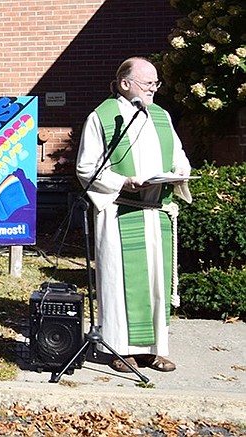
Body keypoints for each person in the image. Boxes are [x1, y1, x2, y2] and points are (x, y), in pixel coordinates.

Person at [75, 56, 192, 373]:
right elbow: (87, 167)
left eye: (156, 83)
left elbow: (178, 155)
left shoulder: (160, 115)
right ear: (125, 84)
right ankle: (122, 350)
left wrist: (181, 171)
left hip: (156, 214)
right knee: (120, 283)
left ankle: (155, 349)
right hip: (121, 212)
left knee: (156, 284)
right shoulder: (104, 117)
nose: (154, 88)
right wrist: (123, 182)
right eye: (148, 83)